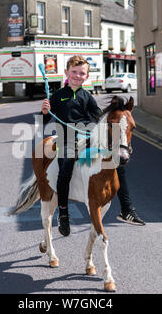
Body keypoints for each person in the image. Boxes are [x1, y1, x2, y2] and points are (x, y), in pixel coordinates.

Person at [41, 55, 101, 237]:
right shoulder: (58, 96)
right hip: (65, 137)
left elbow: (98, 116)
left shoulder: (87, 96)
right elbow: (46, 118)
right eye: (74, 72)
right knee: (65, 168)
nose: (77, 75)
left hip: (86, 135)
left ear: (87, 76)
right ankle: (64, 213)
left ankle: (123, 204)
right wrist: (45, 111)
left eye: (82, 73)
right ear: (66, 73)